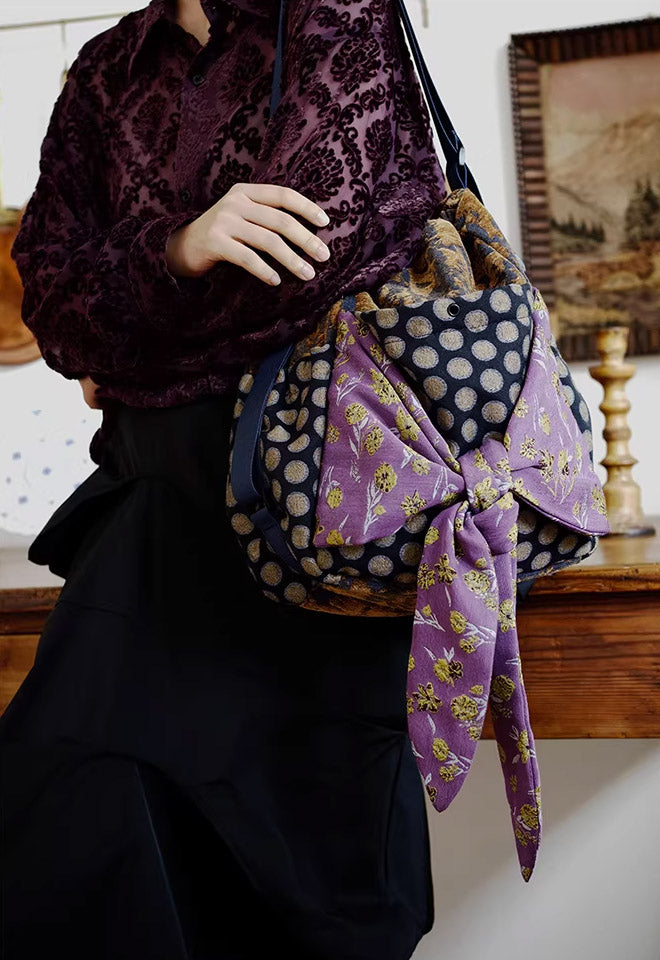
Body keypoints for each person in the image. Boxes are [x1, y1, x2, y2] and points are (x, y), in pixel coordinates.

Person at [1, 1, 450, 957]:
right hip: (151, 522)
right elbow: (48, 297)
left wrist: (124, 342)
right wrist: (179, 246)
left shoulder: (340, 14)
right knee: (67, 829)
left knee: (315, 904)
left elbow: (300, 277)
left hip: (314, 524)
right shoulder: (107, 68)